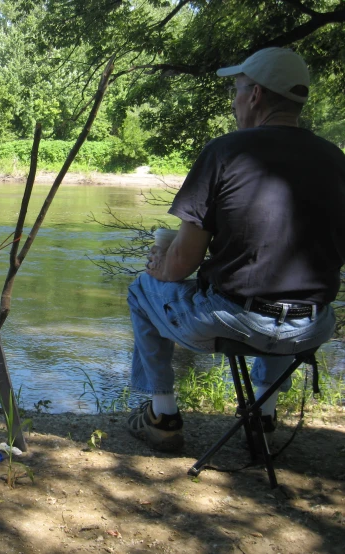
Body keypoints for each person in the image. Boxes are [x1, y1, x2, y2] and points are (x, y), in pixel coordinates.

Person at [125, 47, 345, 452]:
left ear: (256, 95)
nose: (234, 101)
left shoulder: (225, 152)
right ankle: (263, 417)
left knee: (141, 290)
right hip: (313, 326)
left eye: (238, 91)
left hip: (237, 321)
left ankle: (163, 415)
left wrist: (160, 266)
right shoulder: (336, 160)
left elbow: (179, 267)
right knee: (284, 289)